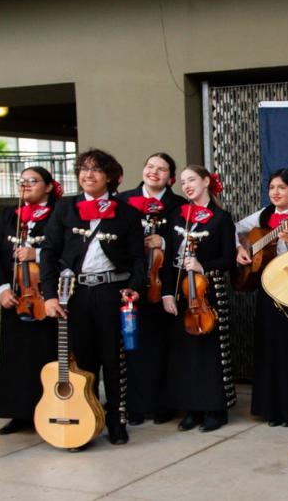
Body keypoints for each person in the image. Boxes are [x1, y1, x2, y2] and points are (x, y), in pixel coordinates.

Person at [41, 149, 147, 445]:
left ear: (110, 177)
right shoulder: (65, 208)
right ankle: (87, 418)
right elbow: (48, 253)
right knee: (83, 363)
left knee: (114, 360)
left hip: (112, 292)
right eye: (84, 169)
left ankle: (117, 420)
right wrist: (49, 295)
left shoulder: (127, 213)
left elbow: (139, 259)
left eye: (96, 170)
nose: (88, 175)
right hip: (76, 294)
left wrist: (136, 286)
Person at [237, 169, 288, 427]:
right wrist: (242, 249)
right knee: (268, 345)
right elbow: (236, 228)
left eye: (282, 187)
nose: (276, 192)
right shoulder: (263, 215)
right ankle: (270, 409)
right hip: (266, 288)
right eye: (272, 187)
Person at [161, 165, 236, 433]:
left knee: (210, 352)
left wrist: (202, 265)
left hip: (208, 291)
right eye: (183, 182)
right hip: (182, 292)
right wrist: (167, 292)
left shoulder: (221, 218)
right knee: (184, 352)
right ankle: (192, 408)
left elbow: (228, 259)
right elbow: (169, 259)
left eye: (192, 180)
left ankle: (215, 409)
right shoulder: (177, 216)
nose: (187, 185)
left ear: (206, 181)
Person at [0, 167, 61, 435]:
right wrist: (2, 288)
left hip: (43, 297)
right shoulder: (10, 215)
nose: (26, 185)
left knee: (44, 354)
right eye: (22, 181)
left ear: (49, 187)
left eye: (33, 181)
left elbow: (67, 250)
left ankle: (49, 409)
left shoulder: (58, 214)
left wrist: (37, 253)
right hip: (15, 298)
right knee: (14, 357)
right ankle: (19, 413)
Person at [116, 153, 186, 426]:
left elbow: (187, 241)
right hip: (129, 283)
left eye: (162, 169)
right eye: (150, 166)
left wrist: (165, 243)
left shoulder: (179, 205)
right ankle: (134, 405)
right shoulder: (123, 201)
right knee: (130, 345)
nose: (154, 172)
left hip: (163, 285)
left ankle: (161, 404)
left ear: (171, 178)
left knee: (161, 345)